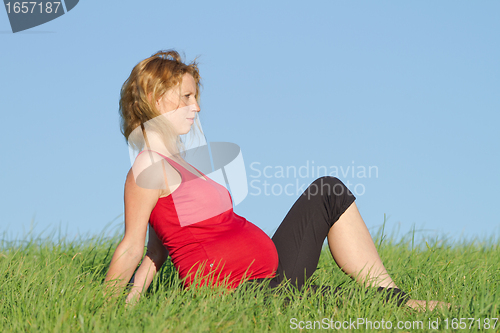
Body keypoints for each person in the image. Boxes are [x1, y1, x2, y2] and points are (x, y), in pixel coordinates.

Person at [105, 50, 444, 311]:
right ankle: (404, 307)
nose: (196, 108)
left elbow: (158, 249)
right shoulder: (146, 167)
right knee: (349, 304)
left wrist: (134, 300)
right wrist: (106, 310)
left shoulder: (180, 165)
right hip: (236, 293)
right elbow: (133, 246)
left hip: (268, 275)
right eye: (186, 97)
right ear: (155, 99)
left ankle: (394, 294)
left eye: (196, 97)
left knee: (329, 191)